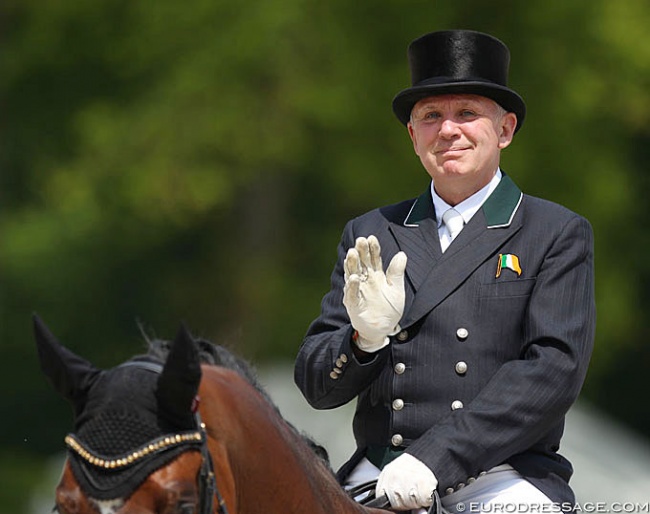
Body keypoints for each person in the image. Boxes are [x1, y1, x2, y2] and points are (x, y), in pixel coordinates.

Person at [294, 29, 595, 513]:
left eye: (467, 114)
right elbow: (316, 386)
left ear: (505, 130)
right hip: (381, 470)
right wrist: (363, 341)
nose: (448, 130)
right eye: (431, 117)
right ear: (413, 137)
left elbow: (552, 372)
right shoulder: (372, 231)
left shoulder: (555, 232)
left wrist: (436, 458)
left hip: (501, 475)